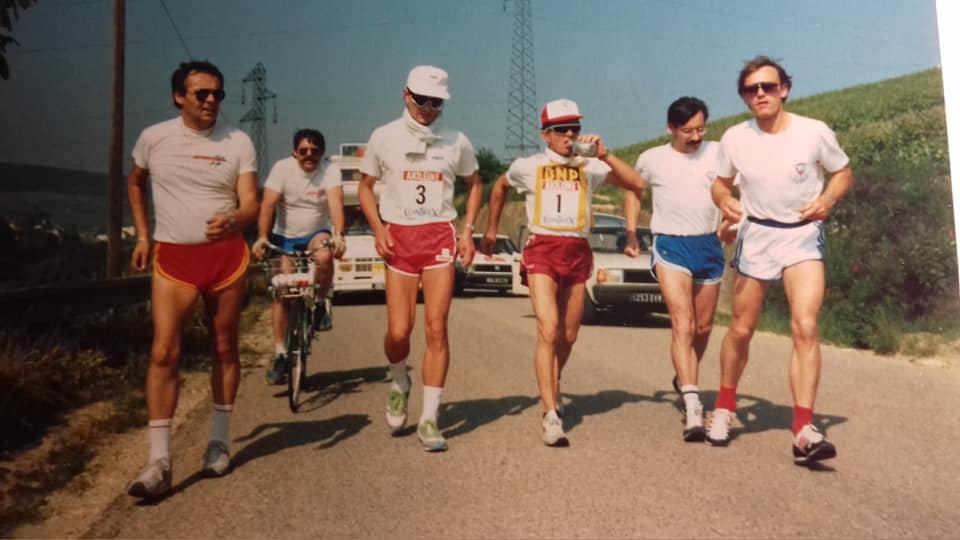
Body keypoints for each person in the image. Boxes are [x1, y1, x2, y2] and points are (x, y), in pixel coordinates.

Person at [707, 56, 853, 465]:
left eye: (768, 86)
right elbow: (720, 184)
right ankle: (724, 407)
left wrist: (828, 199)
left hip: (802, 235)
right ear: (744, 97)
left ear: (784, 89)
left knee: (805, 326)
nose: (760, 94)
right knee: (741, 329)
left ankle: (803, 429)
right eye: (751, 89)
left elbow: (842, 172)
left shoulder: (813, 131)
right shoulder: (735, 137)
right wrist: (725, 200)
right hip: (757, 235)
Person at [126, 60, 259, 498]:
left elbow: (251, 204)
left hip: (226, 258)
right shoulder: (154, 138)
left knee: (224, 346)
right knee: (164, 351)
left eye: (218, 93)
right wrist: (142, 235)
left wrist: (234, 219)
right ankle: (159, 461)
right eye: (202, 93)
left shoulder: (238, 141)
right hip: (174, 258)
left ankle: (218, 441)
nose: (211, 100)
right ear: (178, 96)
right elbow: (135, 182)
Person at [482, 99, 645, 446]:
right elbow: (498, 187)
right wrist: (492, 229)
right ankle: (550, 414)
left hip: (576, 249)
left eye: (575, 128)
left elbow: (637, 184)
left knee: (568, 334)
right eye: (562, 130)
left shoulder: (590, 166)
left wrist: (605, 154)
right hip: (542, 248)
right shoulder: (529, 166)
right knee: (548, 327)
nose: (570, 135)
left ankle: (553, 383)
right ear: (546, 134)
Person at [357, 65, 482, 452]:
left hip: (438, 235)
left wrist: (467, 230)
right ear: (406, 95)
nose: (428, 108)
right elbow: (365, 187)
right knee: (399, 332)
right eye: (422, 100)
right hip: (400, 238)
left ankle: (429, 418)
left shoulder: (457, 140)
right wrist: (378, 229)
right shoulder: (384, 136)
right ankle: (400, 380)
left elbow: (474, 183)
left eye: (436, 103)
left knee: (436, 327)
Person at [624, 96, 736, 442]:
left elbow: (736, 189)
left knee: (703, 327)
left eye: (701, 128)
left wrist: (730, 221)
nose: (696, 136)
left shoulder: (718, 153)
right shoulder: (652, 159)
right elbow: (633, 190)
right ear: (670, 128)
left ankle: (682, 377)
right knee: (683, 323)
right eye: (688, 130)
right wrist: (631, 232)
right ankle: (692, 404)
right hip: (670, 244)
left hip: (708, 245)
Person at [252, 129, 346, 385]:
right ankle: (280, 354)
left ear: (322, 153)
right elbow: (267, 205)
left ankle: (321, 304)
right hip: (285, 235)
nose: (309, 155)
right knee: (282, 291)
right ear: (294, 152)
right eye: (303, 151)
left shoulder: (330, 171)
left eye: (315, 151)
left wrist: (338, 235)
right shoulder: (282, 169)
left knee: (325, 256)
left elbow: (336, 205)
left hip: (316, 231)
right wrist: (262, 237)